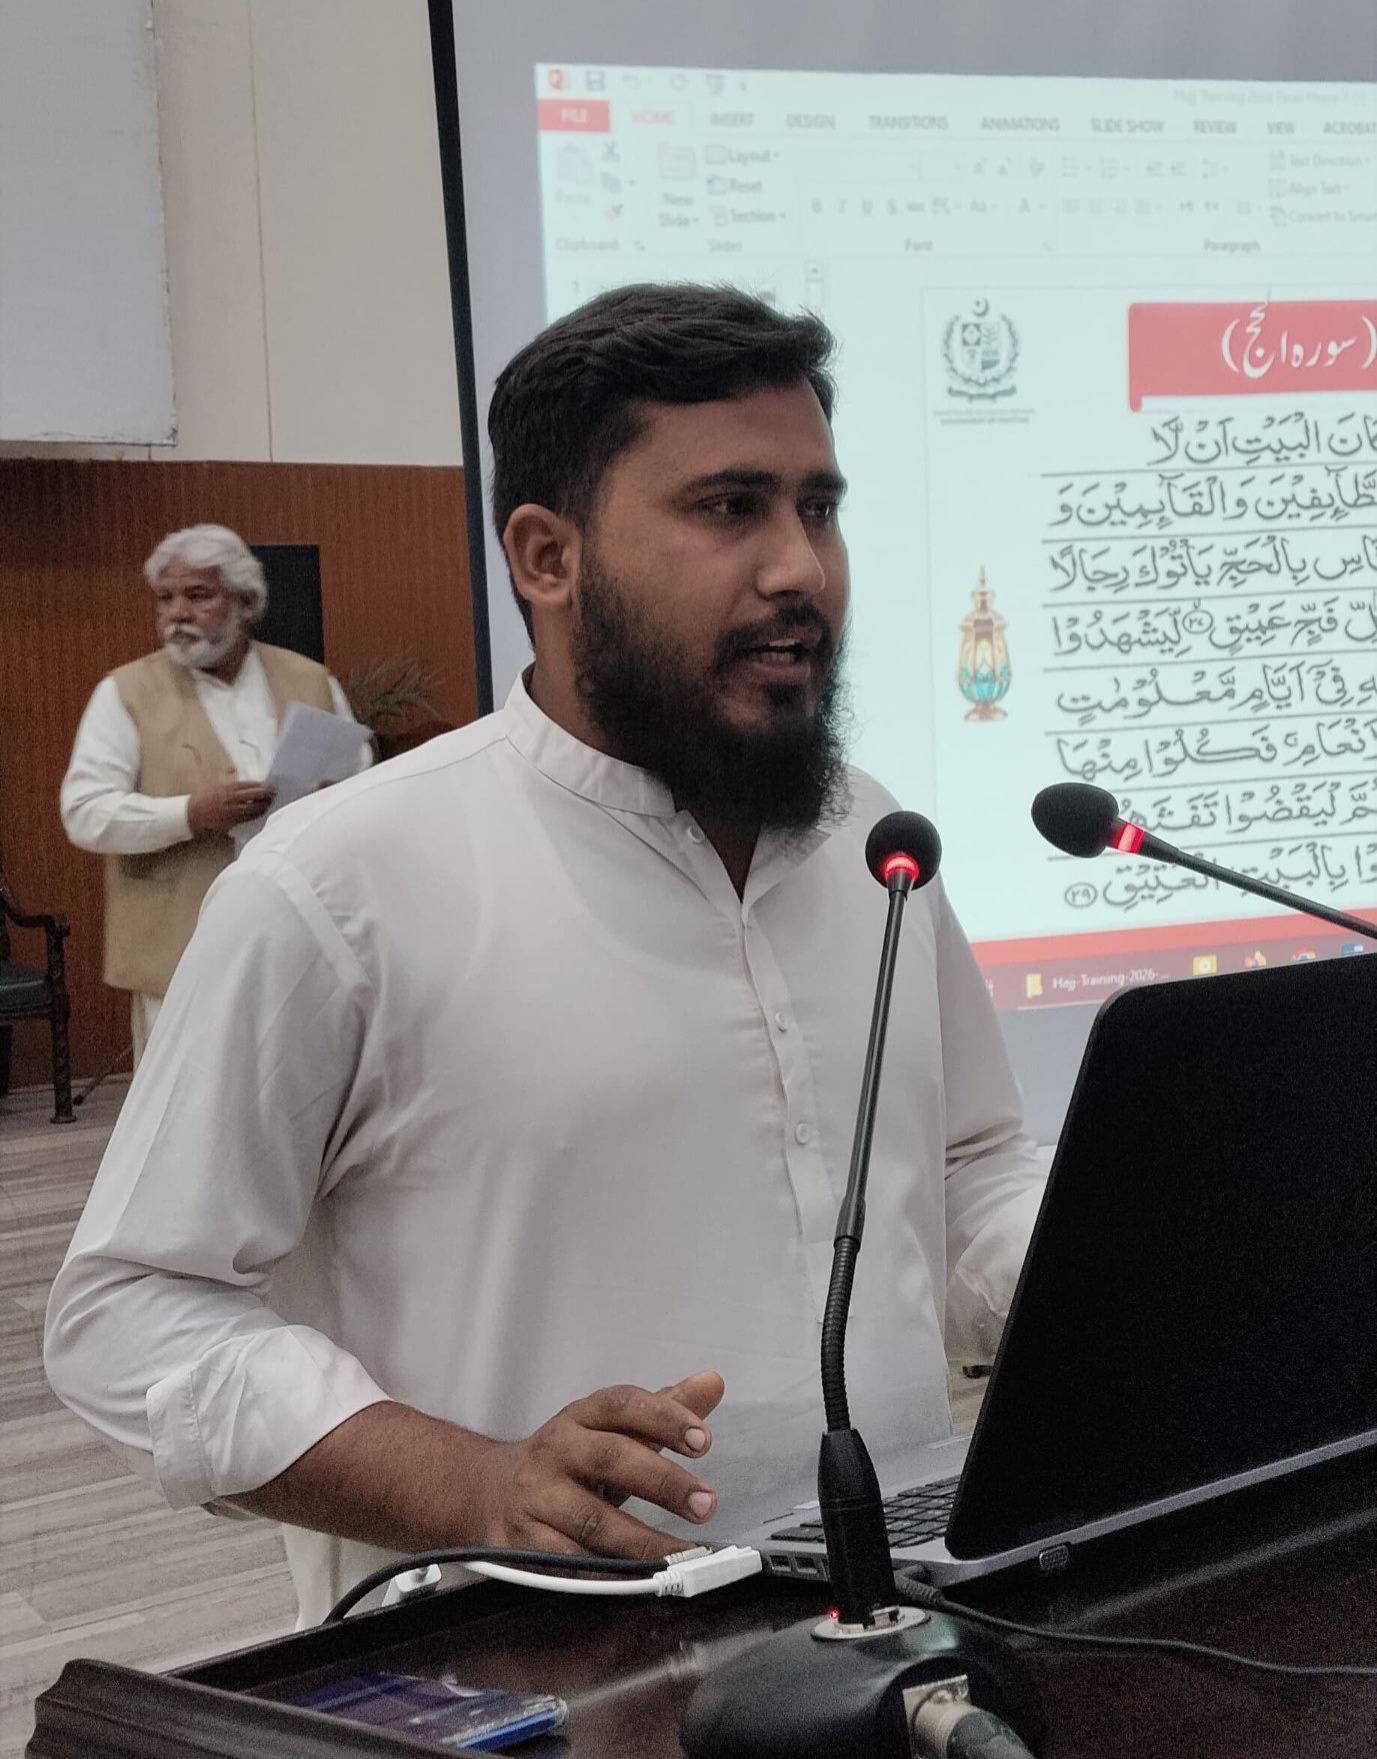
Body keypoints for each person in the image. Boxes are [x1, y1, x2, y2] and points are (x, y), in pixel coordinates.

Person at [45, 287, 1046, 1626]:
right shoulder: (339, 884)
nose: (801, 568)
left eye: (818, 507)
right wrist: (472, 1480)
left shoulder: (874, 838)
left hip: (906, 1615)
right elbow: (127, 1313)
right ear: (546, 556)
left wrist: (1139, 1270)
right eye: (730, 507)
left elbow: (969, 1170)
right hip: (528, 1661)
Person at [59, 524, 368, 1064]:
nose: (177, 613)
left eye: (198, 595)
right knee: (187, 1100)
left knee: (298, 1085)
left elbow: (363, 791)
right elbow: (84, 813)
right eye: (165, 599)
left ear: (247, 604)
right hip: (178, 950)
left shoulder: (311, 680)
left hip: (298, 940)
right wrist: (189, 813)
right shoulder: (125, 692)